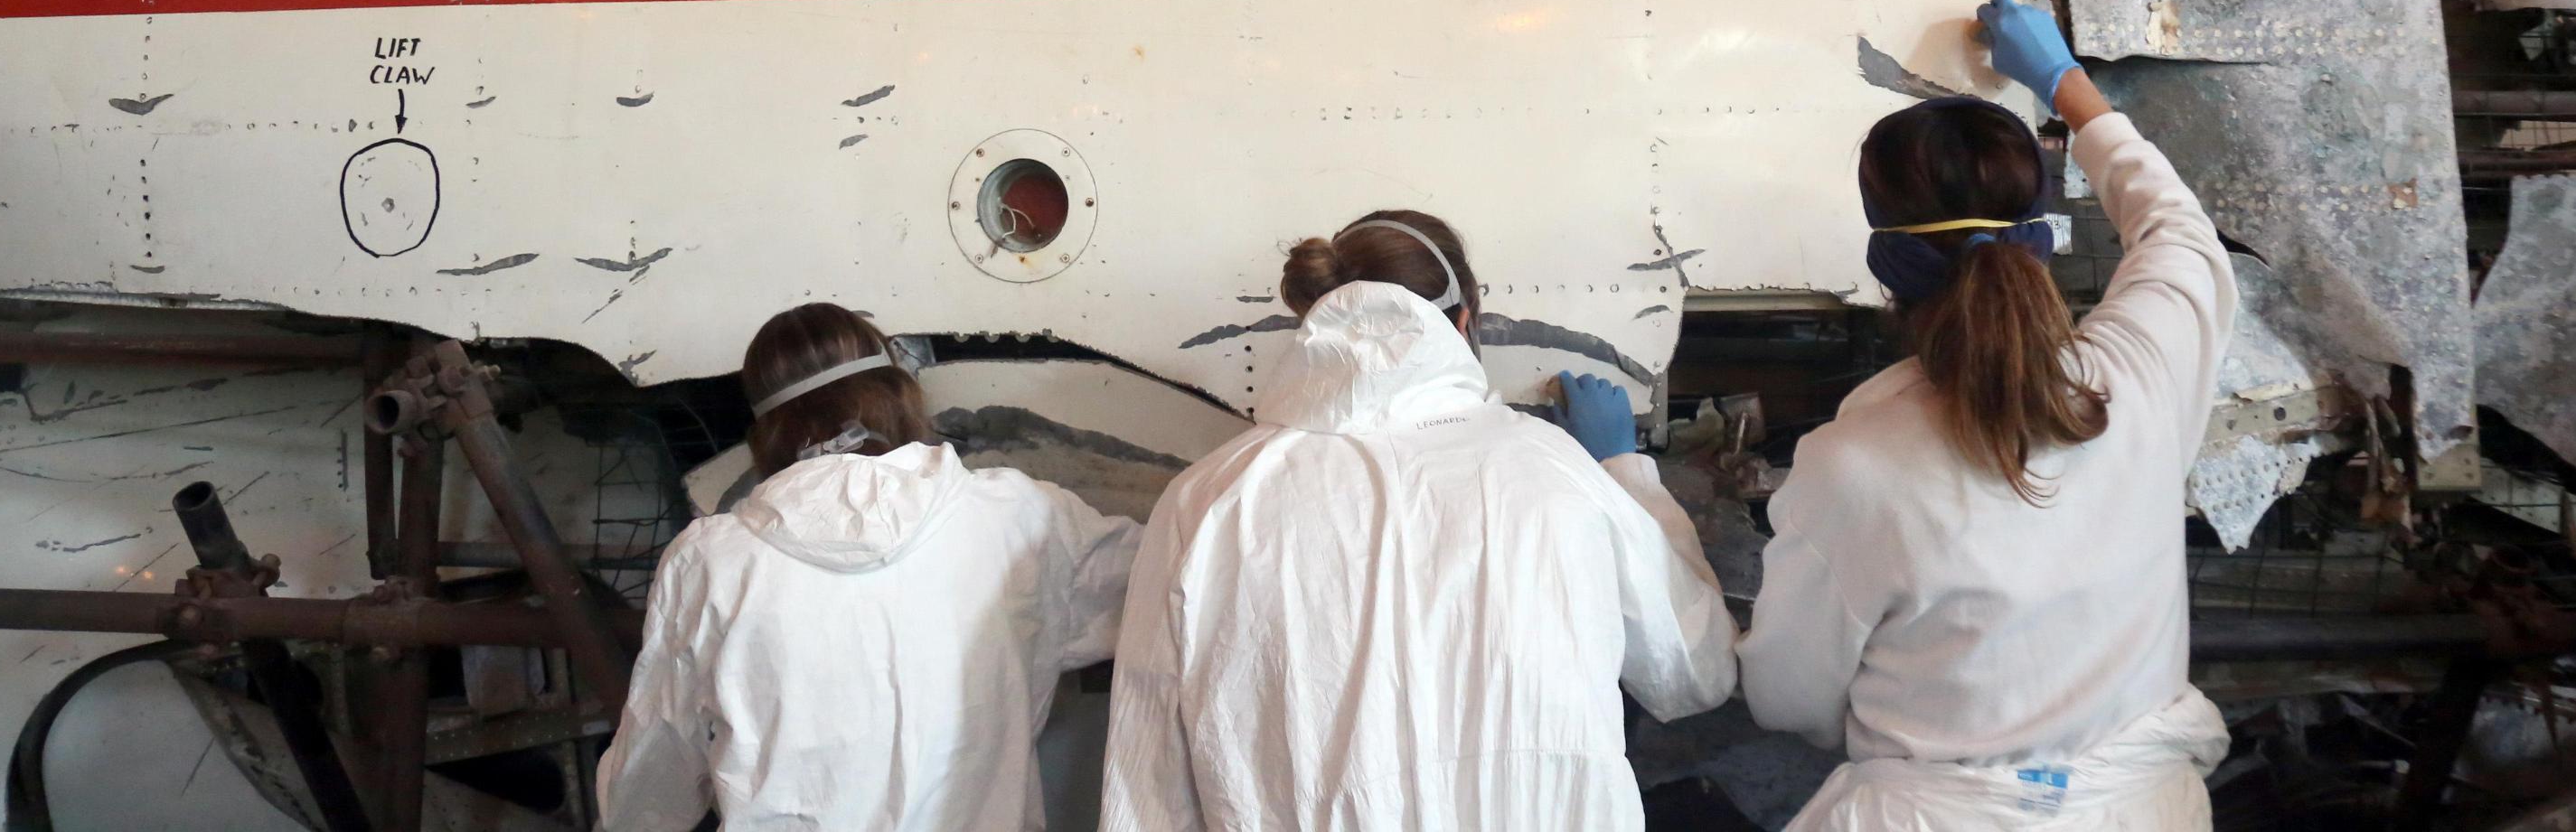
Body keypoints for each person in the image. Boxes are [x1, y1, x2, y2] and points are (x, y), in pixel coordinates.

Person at [1743, 0, 2238, 831]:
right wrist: (2063, 83)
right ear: (2038, 236)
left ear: (1887, 263)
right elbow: (2179, 234)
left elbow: (1785, 699)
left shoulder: (1853, 466)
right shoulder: (2143, 377)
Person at [1101, 210, 1737, 830]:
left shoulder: (1209, 500)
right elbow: (1697, 671)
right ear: (1466, 321)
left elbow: (1148, 787)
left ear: (1316, 318)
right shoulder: (1555, 469)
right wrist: (1623, 471)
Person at [597, 302, 1142, 832]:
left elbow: (655, 775)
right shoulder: (1019, 517)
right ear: (898, 394)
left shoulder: (713, 562)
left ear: (767, 428)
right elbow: (1169, 586)